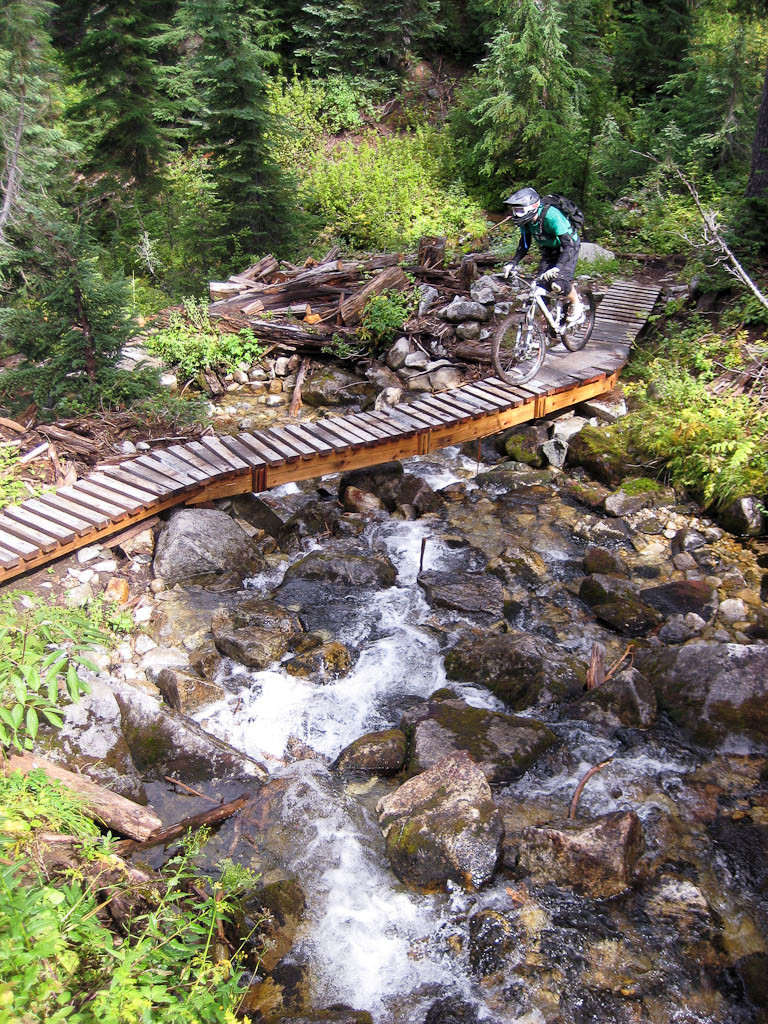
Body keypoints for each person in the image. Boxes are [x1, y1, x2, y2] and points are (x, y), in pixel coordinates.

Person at [502, 186, 584, 324]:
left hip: (568, 247)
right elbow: (524, 244)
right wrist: (513, 263)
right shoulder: (526, 222)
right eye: (515, 211)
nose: (516, 215)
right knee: (540, 286)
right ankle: (546, 322)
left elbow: (568, 245)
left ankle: (577, 305)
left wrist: (558, 267)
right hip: (549, 249)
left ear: (533, 207)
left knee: (559, 283)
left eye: (520, 210)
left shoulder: (552, 216)